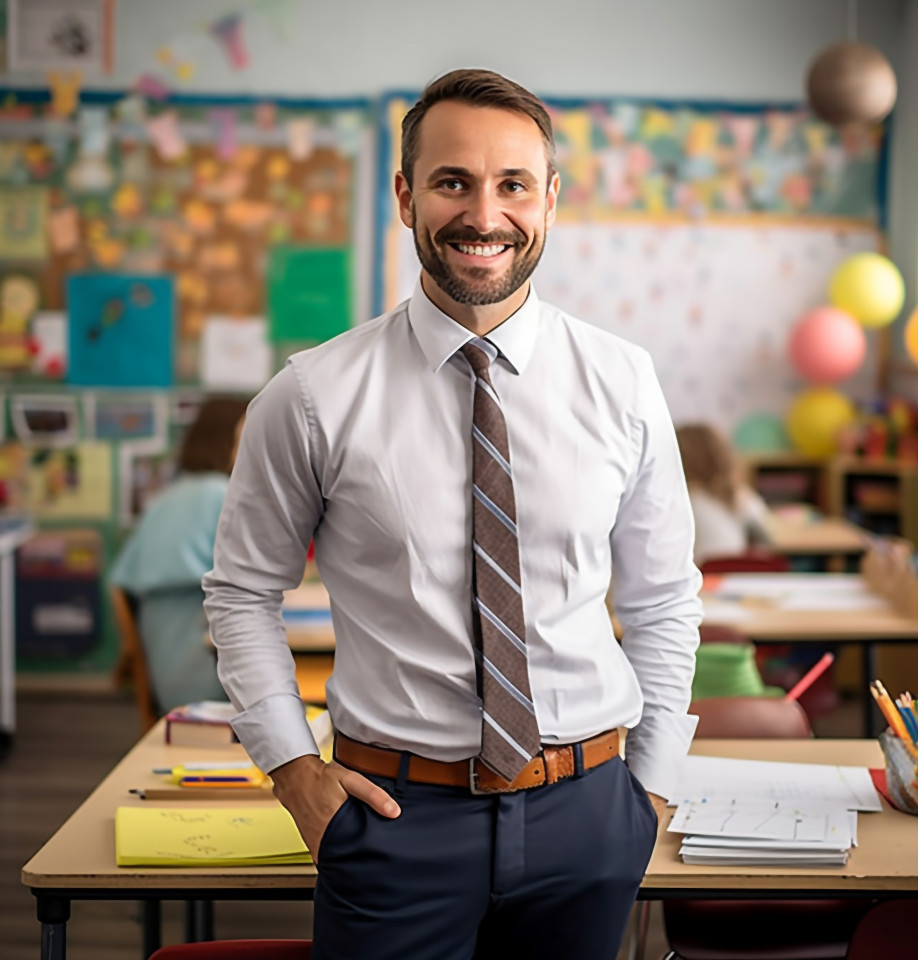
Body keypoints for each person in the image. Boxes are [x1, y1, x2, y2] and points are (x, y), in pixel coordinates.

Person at [204, 69, 701, 960]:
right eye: (451, 182)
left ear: (550, 201)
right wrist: (293, 773)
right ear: (405, 196)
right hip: (394, 820)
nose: (485, 214)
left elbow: (664, 599)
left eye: (513, 184)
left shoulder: (623, 382)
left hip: (587, 815)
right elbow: (242, 595)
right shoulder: (312, 395)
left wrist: (649, 790)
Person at [111, 397, 247, 714]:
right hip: (206, 670)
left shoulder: (168, 497)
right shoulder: (223, 495)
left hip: (168, 659)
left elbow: (120, 581)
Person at [676, 422, 772, 565]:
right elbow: (768, 534)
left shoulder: (685, 500)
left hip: (703, 577)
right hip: (736, 575)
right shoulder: (741, 495)